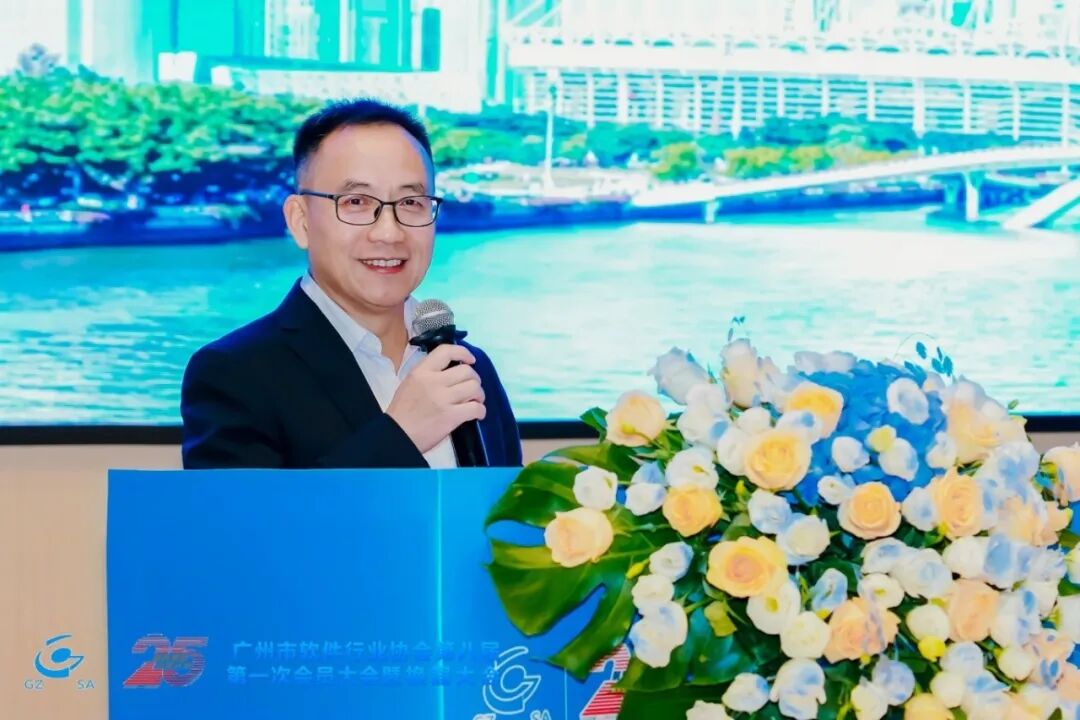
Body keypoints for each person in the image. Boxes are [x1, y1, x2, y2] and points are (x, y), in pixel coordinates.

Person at [180, 98, 522, 469]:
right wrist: (400, 436)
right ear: (300, 221)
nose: (389, 232)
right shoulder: (234, 372)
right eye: (356, 201)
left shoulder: (468, 365)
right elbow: (247, 509)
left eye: (411, 202)